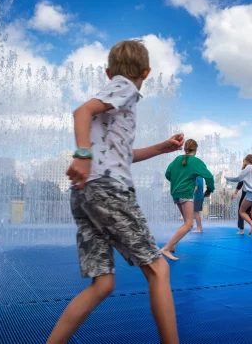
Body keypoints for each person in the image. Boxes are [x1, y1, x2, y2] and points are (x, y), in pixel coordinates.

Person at [46, 40, 182, 344]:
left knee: (103, 284)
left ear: (107, 70)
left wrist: (162, 147)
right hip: (109, 192)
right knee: (158, 270)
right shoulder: (125, 87)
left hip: (85, 193)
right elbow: (82, 110)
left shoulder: (115, 98)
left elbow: (121, 155)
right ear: (146, 73)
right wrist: (82, 153)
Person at [161, 139, 215, 260]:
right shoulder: (195, 161)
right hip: (186, 193)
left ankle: (173, 245)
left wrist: (177, 182)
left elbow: (167, 174)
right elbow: (209, 177)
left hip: (176, 193)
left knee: (186, 221)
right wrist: (209, 190)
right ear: (195, 150)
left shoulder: (177, 160)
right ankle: (166, 248)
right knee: (189, 224)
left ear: (185, 148)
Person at [225, 154, 252, 241]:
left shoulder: (249, 167)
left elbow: (239, 178)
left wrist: (228, 179)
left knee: (242, 211)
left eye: (244, 161)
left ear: (246, 161)